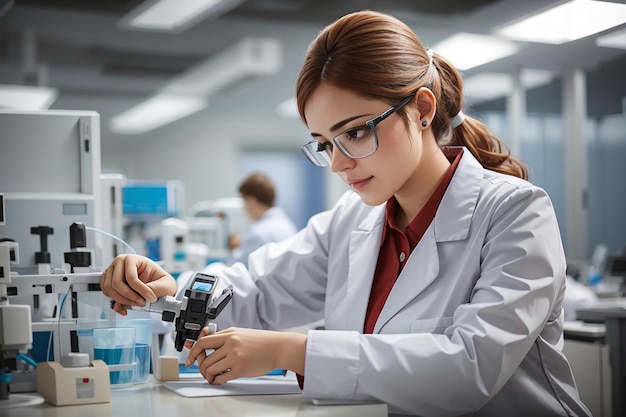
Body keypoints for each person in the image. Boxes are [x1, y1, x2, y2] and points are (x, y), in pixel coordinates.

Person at [100, 10, 591, 417]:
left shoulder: (515, 212)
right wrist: (167, 289)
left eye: (354, 132)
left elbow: (469, 368)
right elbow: (259, 291)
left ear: (421, 108)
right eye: (323, 144)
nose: (338, 163)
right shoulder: (352, 220)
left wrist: (288, 350)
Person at [226, 172, 298, 266]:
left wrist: (234, 249)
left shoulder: (258, 232)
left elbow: (235, 267)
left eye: (245, 202)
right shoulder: (288, 225)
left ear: (253, 201)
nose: (244, 207)